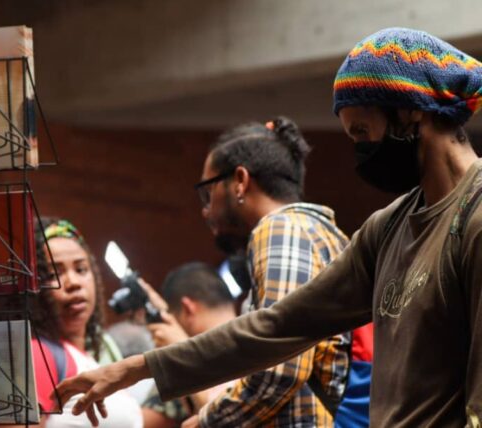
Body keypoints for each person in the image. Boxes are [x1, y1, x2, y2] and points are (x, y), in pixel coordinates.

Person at [55, 27, 482, 427]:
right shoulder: (387, 229)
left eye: (363, 132)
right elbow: (278, 326)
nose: (361, 154)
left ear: (410, 110)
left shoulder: (473, 218)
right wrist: (133, 369)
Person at [30, 217, 142, 427]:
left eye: (81, 269)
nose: (73, 282)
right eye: (54, 274)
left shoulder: (93, 358)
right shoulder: (39, 353)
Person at [141, 262, 238, 428]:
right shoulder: (261, 340)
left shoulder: (207, 360)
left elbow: (230, 420)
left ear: (188, 308)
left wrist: (183, 355)